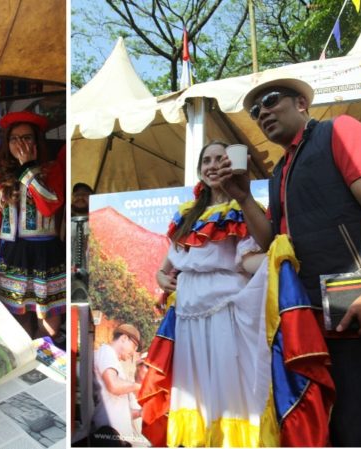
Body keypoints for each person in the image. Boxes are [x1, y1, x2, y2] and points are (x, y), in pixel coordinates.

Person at [138, 141, 334, 447]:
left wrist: (276, 260)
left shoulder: (242, 208)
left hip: (225, 310)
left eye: (221, 159)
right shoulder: (187, 213)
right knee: (194, 387)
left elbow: (247, 259)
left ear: (233, 165)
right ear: (199, 170)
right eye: (207, 160)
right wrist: (160, 276)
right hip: (189, 315)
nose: (213, 165)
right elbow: (170, 262)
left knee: (228, 389)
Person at [218, 72, 361, 447]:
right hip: (313, 318)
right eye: (255, 110)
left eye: (271, 100)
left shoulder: (338, 131)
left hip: (357, 303)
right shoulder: (279, 171)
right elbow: (272, 241)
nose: (262, 112)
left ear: (301, 103)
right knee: (335, 423)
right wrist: (243, 197)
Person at [0, 111, 66, 343]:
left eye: (26, 138)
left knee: (49, 316)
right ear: (8, 143)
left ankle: (44, 357)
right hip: (12, 255)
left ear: (36, 142)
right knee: (18, 314)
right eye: (15, 139)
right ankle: (27, 359)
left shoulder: (52, 171)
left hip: (46, 254)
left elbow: (49, 205)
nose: (20, 143)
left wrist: (28, 168)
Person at [90, 323, 142, 447]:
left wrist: (141, 412)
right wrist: (140, 386)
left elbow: (120, 410)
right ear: (124, 338)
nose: (134, 352)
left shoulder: (113, 360)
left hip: (118, 438)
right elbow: (113, 385)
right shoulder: (107, 351)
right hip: (109, 437)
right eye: (134, 346)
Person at [71, 182, 94, 302]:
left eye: (85, 195)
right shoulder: (64, 220)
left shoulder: (99, 220)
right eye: (76, 195)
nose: (80, 197)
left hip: (93, 279)